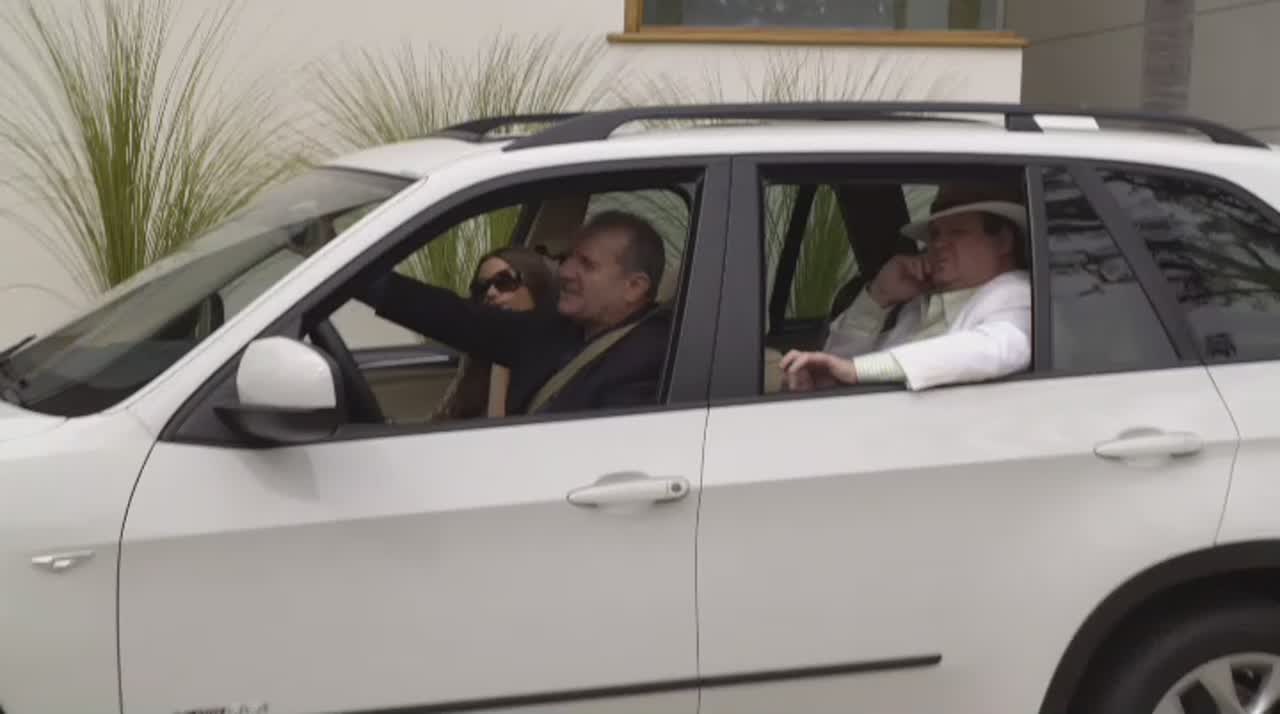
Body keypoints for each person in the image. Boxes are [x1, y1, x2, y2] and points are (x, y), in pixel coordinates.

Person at [359, 210, 669, 415]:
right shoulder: (560, 327)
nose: (565, 272)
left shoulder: (658, 360)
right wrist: (356, 276)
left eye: (586, 265)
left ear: (634, 287)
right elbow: (455, 317)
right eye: (568, 258)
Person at [781, 181, 1032, 393]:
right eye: (935, 234)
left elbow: (999, 349)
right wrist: (878, 297)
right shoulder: (917, 306)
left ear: (1003, 242)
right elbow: (836, 365)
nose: (938, 244)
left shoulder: (1016, 293)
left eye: (957, 232)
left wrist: (857, 370)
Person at [433, 246, 558, 420]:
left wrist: (501, 357)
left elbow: (498, 430)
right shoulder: (475, 357)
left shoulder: (555, 358)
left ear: (536, 287)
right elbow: (445, 416)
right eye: (481, 288)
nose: (491, 293)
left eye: (504, 282)